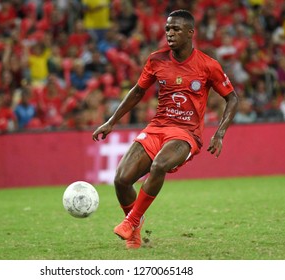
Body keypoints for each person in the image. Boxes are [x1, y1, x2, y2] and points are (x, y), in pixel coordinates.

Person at [92, 10, 239, 249]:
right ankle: (135, 231)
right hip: (157, 127)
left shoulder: (208, 65)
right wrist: (111, 121)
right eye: (168, 29)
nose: (170, 33)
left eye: (176, 29)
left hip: (186, 134)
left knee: (159, 165)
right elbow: (138, 92)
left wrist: (220, 133)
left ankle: (132, 221)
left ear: (190, 33)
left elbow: (232, 99)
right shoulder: (156, 59)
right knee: (121, 179)